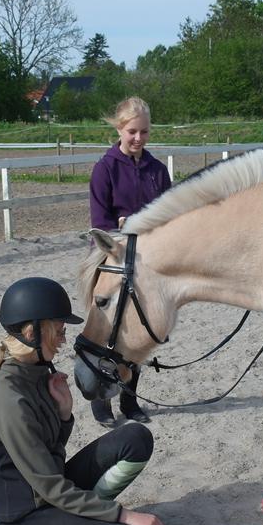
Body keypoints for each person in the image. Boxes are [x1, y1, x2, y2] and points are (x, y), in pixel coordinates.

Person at [0, 276, 165, 525]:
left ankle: (83, 524)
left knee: (135, 437)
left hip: (52, 494)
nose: (63, 340)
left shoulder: (36, 373)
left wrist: (63, 415)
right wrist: (123, 516)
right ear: (32, 333)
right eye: (59, 331)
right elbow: (49, 485)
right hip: (27, 516)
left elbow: (49, 457)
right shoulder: (9, 397)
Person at [88, 96, 172, 427]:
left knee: (138, 336)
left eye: (144, 132)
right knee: (106, 332)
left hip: (144, 264)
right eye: (132, 131)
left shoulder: (157, 170)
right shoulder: (105, 169)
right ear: (119, 129)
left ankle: (129, 399)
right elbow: (99, 222)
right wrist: (122, 227)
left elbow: (168, 215)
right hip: (111, 259)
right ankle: (100, 400)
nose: (138, 138)